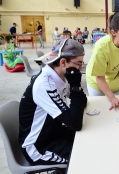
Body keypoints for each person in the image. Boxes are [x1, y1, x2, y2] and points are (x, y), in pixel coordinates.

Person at [19, 38, 87, 166]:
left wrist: (74, 86)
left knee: (89, 141)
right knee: (84, 159)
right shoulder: (45, 84)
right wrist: (76, 85)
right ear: (63, 62)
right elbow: (75, 123)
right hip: (38, 146)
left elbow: (83, 101)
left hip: (54, 132)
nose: (80, 68)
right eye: (78, 63)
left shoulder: (62, 75)